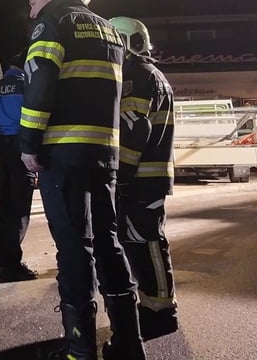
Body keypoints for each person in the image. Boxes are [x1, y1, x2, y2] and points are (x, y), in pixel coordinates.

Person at [19, 0, 146, 360]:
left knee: (74, 249)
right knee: (108, 242)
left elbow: (40, 84)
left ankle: (79, 348)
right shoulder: (109, 29)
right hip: (103, 153)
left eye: (33, 1)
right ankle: (129, 342)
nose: (30, 11)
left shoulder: (52, 23)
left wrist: (28, 145)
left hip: (63, 154)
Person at [109, 17, 179, 343]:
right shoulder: (152, 74)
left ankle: (160, 312)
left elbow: (134, 128)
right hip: (148, 176)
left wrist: (118, 176)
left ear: (124, 42)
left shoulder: (136, 76)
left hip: (140, 178)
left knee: (147, 243)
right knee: (142, 242)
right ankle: (153, 305)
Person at [0, 48, 38, 282]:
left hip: (0, 149)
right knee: (19, 209)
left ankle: (1, 259)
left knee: (6, 205)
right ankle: (11, 264)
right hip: (20, 149)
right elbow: (32, 119)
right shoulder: (25, 86)